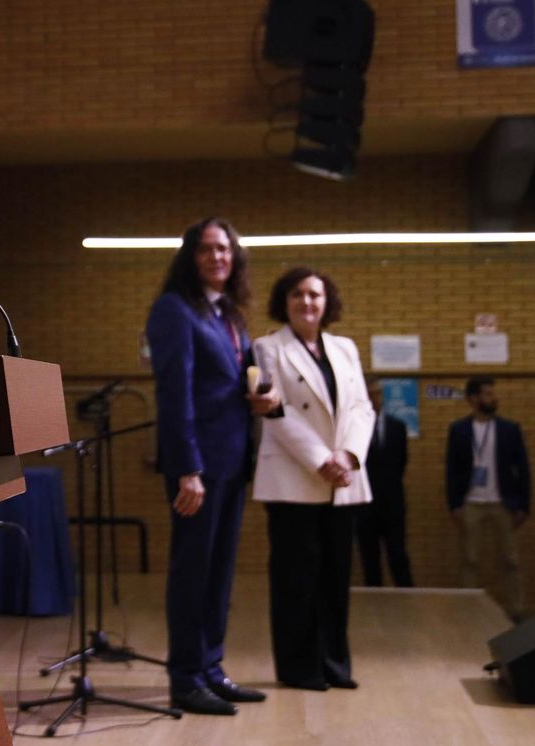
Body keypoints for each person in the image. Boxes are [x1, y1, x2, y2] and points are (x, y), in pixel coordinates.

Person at [146, 218, 281, 716]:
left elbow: (239, 381)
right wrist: (186, 469)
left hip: (231, 461)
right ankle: (184, 678)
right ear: (190, 256)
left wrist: (262, 397)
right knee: (192, 573)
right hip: (197, 468)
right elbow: (174, 394)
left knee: (219, 574)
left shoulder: (230, 315)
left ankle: (211, 668)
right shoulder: (174, 310)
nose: (216, 257)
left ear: (235, 257)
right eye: (205, 249)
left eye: (223, 249)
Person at [251, 267, 373, 691]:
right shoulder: (267, 347)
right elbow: (275, 411)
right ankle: (300, 668)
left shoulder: (345, 348)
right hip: (295, 476)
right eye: (298, 294)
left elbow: (361, 407)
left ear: (327, 302)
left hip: (343, 478)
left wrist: (349, 455)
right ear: (284, 302)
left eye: (315, 295)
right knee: (296, 580)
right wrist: (321, 458)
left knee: (336, 578)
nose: (307, 302)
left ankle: (335, 666)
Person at [445, 378, 530, 621]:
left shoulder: (509, 429)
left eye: (493, 394)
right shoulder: (459, 430)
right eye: (487, 394)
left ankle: (515, 611)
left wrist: (524, 504)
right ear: (472, 399)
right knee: (469, 559)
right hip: (471, 501)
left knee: (510, 559)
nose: (492, 398)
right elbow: (451, 469)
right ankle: (467, 610)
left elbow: (523, 468)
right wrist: (454, 504)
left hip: (502, 501)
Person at [356, 379, 414, 587]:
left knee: (397, 553)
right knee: (369, 556)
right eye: (370, 394)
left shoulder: (397, 427)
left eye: (378, 394)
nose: (375, 399)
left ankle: (407, 595)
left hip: (392, 502)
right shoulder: (356, 428)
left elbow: (401, 463)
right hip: (365, 504)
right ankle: (375, 599)